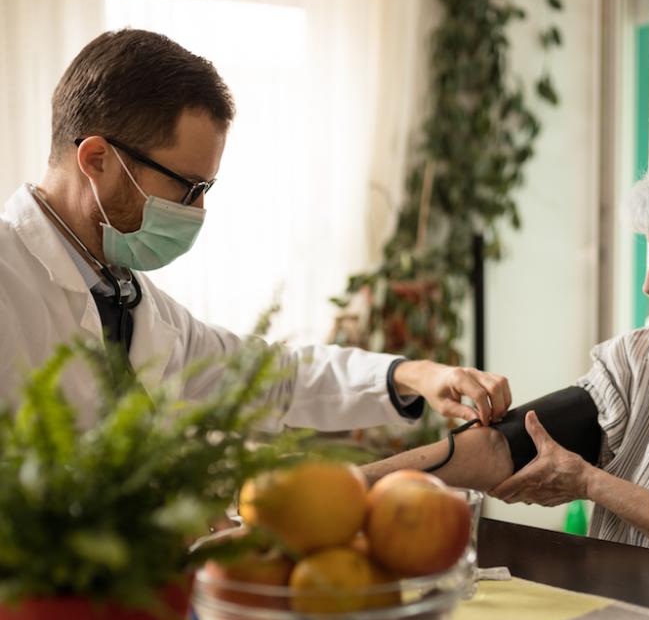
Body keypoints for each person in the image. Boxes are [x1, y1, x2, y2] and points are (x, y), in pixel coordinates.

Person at [0, 29, 511, 432]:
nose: (197, 208)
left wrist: (411, 375)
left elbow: (268, 379)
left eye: (207, 187)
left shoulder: (125, 294)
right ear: (96, 159)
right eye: (188, 185)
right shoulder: (10, 279)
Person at [363, 138, 649, 578]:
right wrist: (358, 484)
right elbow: (504, 446)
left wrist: (592, 484)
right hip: (619, 613)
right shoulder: (642, 356)